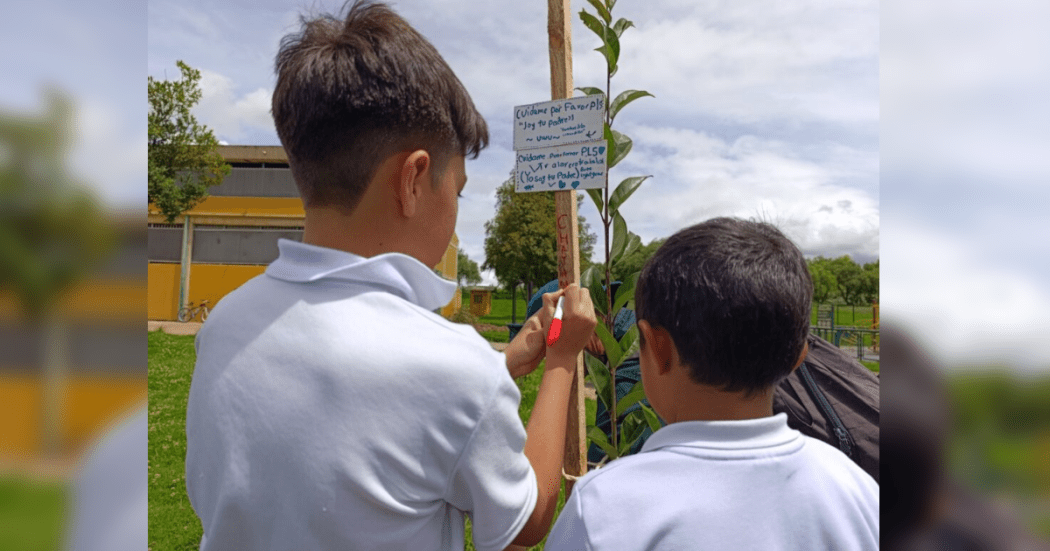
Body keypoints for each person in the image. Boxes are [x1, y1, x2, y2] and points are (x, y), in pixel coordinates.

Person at [184, 2, 596, 549]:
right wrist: (563, 360)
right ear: (414, 179)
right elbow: (526, 522)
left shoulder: (226, 325)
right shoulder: (452, 367)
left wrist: (507, 362)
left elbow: (368, 401)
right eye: (459, 189)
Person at [545, 217, 879, 550]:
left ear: (656, 348)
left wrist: (559, 348)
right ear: (798, 357)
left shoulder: (602, 507)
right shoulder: (858, 492)